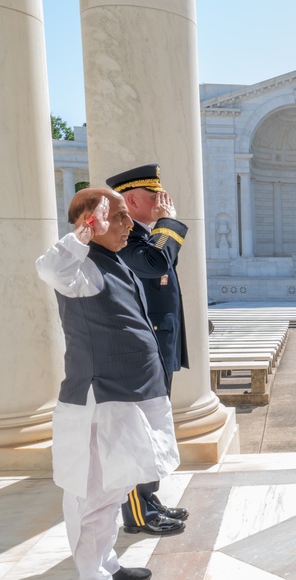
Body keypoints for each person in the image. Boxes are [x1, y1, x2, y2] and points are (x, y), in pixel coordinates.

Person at [36, 187, 180, 580]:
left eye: (125, 216)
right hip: (101, 398)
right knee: (93, 495)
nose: (128, 225)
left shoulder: (113, 260)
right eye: (117, 217)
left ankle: (106, 566)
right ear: (89, 223)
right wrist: (80, 236)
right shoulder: (78, 267)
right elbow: (50, 268)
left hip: (129, 393)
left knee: (115, 487)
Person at [106, 164, 190, 537]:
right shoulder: (126, 240)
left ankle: (149, 499)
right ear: (131, 199)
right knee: (141, 430)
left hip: (159, 340)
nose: (163, 201)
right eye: (155, 196)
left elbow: (164, 264)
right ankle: (137, 514)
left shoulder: (145, 237)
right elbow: (157, 262)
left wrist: (162, 230)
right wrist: (168, 224)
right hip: (145, 346)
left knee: (154, 427)